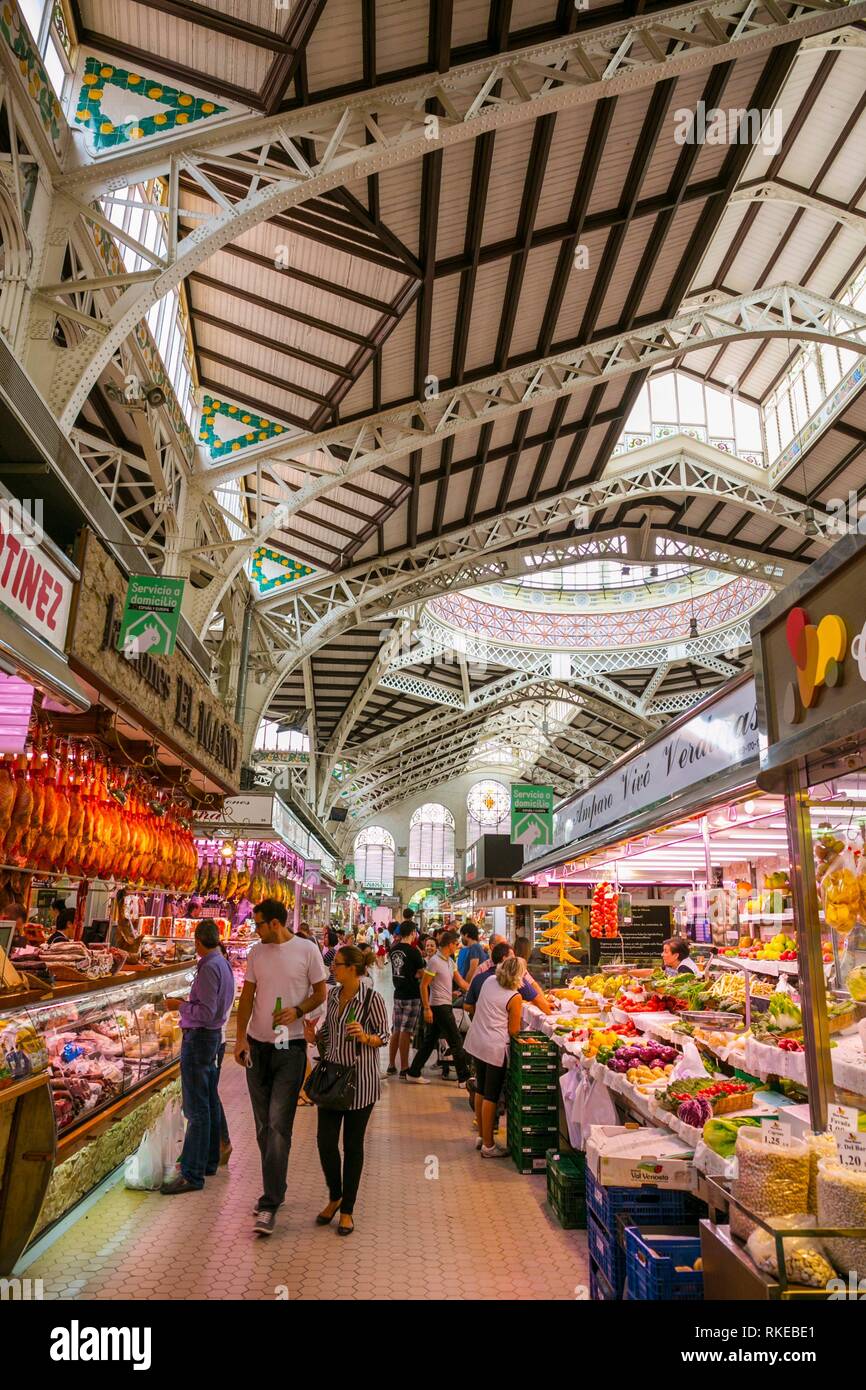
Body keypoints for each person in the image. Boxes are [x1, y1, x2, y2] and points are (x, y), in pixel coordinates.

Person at [234, 898, 328, 1235]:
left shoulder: (306, 950)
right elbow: (247, 996)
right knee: (263, 1126)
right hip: (257, 1046)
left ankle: (270, 1201)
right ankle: (276, 1186)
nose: (255, 929)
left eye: (258, 923)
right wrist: (240, 1038)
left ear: (275, 923)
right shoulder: (257, 953)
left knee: (277, 1124)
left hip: (290, 1047)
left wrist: (298, 1011)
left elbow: (321, 993)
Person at [305, 945, 389, 1235]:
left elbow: (384, 1035)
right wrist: (314, 1036)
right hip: (331, 1078)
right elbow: (329, 1033)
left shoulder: (371, 1000)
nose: (332, 968)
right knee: (325, 1142)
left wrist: (366, 1037)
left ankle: (347, 1210)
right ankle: (334, 1195)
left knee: (352, 1147)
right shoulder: (333, 995)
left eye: (337, 965)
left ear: (353, 969)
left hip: (360, 1083)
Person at [160, 919, 235, 1194]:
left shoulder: (209, 967)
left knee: (196, 1107)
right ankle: (209, 1162)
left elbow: (205, 1012)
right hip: (213, 1039)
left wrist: (179, 1006)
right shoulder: (223, 963)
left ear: (198, 941)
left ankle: (192, 1173)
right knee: (209, 1101)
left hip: (201, 1039)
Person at [464, 954, 526, 1157]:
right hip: (495, 1049)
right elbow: (514, 1030)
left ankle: (482, 1136)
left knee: (481, 1090)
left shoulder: (490, 981)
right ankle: (489, 1146)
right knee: (491, 1094)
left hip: (478, 1041)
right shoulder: (514, 997)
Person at [405, 929, 471, 1085]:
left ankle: (413, 1072)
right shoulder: (435, 961)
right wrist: (427, 1008)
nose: (457, 947)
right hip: (439, 1006)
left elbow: (461, 982)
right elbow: (423, 985)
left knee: (429, 1042)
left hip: (444, 1004)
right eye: (456, 944)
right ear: (449, 944)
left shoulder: (449, 962)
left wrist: (478, 990)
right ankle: (464, 1077)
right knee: (455, 1040)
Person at [386, 920, 425, 1076]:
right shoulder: (413, 951)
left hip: (398, 993)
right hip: (411, 994)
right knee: (406, 1031)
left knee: (396, 1029)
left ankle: (390, 1065)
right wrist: (416, 973)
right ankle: (404, 1067)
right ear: (412, 933)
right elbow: (421, 972)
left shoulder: (393, 950)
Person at [464, 940, 541, 1016]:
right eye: (512, 957)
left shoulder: (481, 976)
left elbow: (467, 1005)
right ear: (504, 958)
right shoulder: (513, 976)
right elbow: (514, 1028)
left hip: (479, 1023)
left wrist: (483, 1013)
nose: (514, 960)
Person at [513, 935, 553, 1014]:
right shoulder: (520, 965)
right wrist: (545, 1003)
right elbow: (533, 985)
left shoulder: (514, 963)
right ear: (528, 950)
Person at [456, 922, 487, 988]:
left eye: (462, 936)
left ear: (466, 935)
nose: (461, 939)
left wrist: (465, 985)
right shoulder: (476, 947)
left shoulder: (474, 947)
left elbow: (473, 968)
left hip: (473, 985)